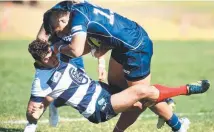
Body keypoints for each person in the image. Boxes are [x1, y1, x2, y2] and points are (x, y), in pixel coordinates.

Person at [42, 1, 197, 131]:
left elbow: (76, 50)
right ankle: (166, 105)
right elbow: (103, 35)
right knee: (118, 92)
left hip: (136, 48)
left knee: (139, 97)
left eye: (59, 32)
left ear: (62, 20)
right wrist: (100, 51)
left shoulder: (77, 17)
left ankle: (178, 125)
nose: (61, 36)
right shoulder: (81, 9)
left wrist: (56, 49)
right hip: (124, 44)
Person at [26, 40, 209, 131]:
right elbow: (32, 108)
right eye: (46, 59)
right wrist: (32, 118)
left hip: (102, 91)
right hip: (96, 108)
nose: (52, 59)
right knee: (140, 92)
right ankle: (186, 90)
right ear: (38, 61)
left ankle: (176, 124)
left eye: (51, 54)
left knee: (139, 102)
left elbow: (92, 43)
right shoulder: (41, 80)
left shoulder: (60, 53)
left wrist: (100, 65)